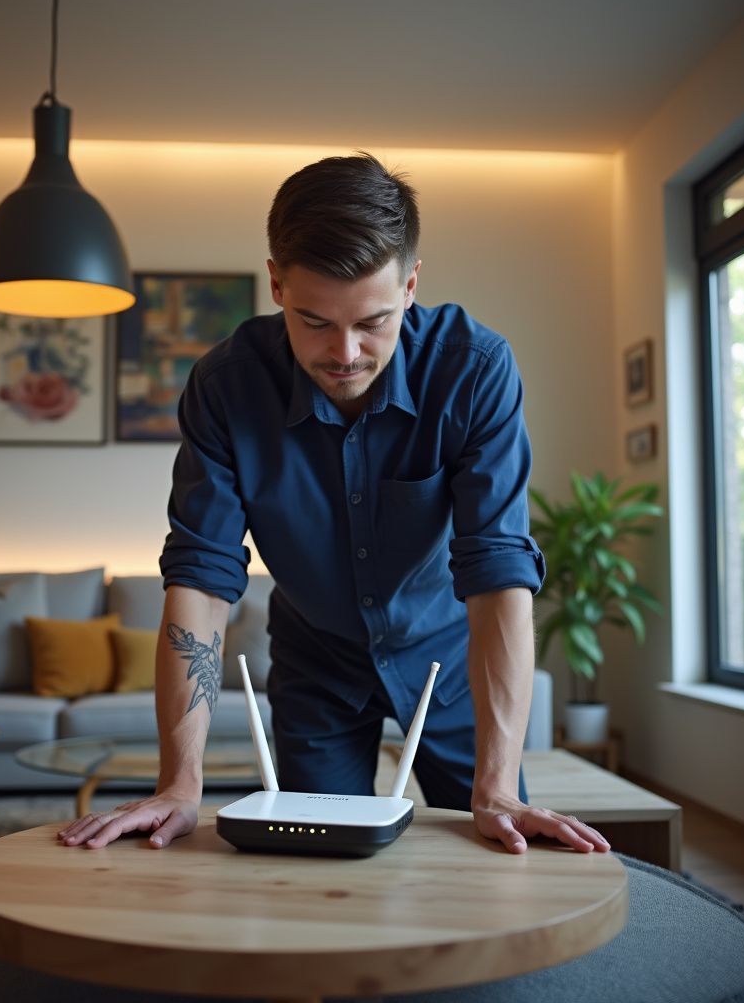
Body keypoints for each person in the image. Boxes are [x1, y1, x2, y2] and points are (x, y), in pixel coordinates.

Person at [60, 153, 610, 857]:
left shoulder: (474, 370)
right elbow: (200, 576)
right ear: (276, 283)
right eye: (313, 320)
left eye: (373, 322)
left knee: (497, 857)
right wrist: (179, 783)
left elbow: (497, 567)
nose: (344, 352)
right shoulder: (226, 387)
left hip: (450, 665)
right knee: (318, 869)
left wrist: (498, 785)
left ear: (411, 286)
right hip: (315, 670)